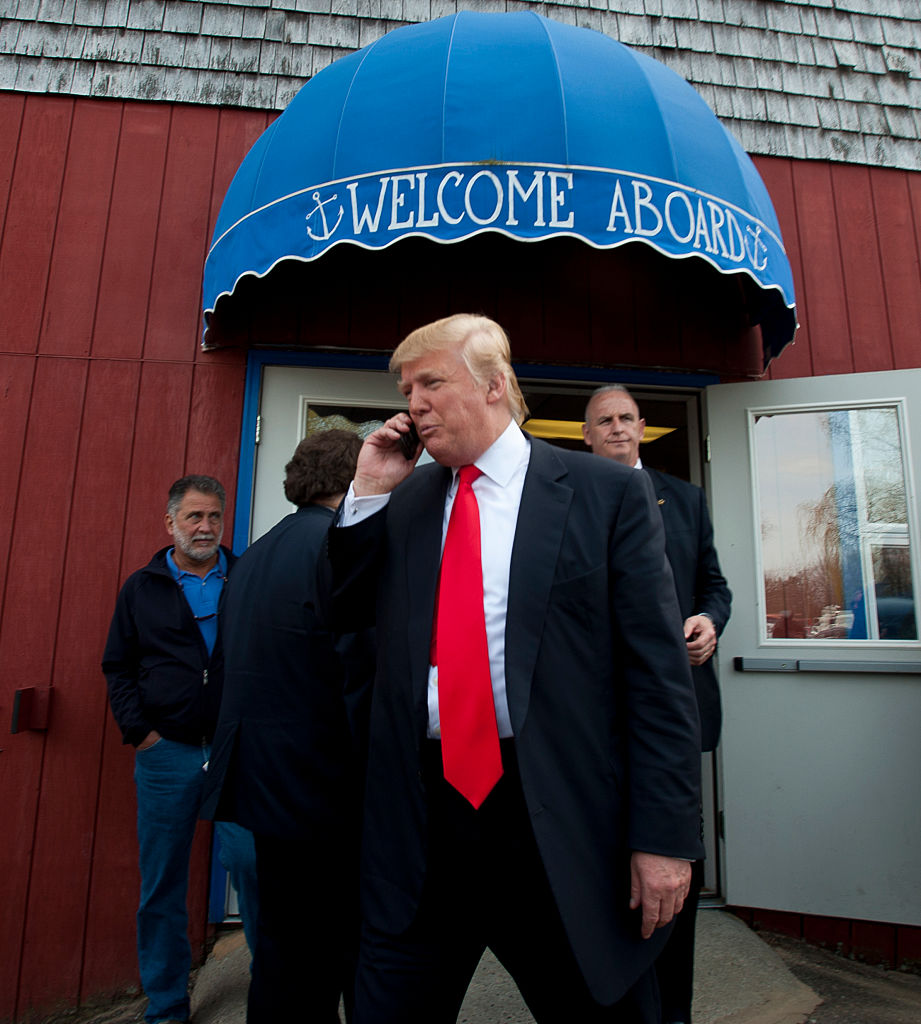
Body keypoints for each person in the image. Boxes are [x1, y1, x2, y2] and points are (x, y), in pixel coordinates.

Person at [327, 314, 704, 1024]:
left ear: (496, 385)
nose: (414, 402)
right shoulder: (405, 500)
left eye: (432, 381)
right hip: (422, 829)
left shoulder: (603, 495)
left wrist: (662, 840)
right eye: (407, 388)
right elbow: (344, 621)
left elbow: (657, 682)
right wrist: (368, 493)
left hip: (556, 826)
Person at [200, 430, 374, 1024]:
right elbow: (358, 669)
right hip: (326, 787)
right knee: (347, 951)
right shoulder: (340, 549)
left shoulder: (253, 555)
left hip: (262, 785)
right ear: (355, 479)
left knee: (282, 950)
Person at [583, 384, 732, 1024]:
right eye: (603, 422)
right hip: (599, 719)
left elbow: (714, 584)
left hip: (680, 712)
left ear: (643, 427)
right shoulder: (572, 498)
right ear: (585, 435)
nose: (617, 428)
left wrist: (708, 619)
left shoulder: (686, 499)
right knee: (610, 868)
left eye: (625, 418)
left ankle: (673, 1010)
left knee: (674, 859)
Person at [102, 475, 258, 1024]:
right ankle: (167, 1005)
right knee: (162, 882)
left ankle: (274, 990)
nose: (206, 527)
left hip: (235, 750)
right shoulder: (140, 587)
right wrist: (140, 732)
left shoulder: (245, 577)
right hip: (166, 753)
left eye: (214, 517)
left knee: (252, 863)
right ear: (170, 523)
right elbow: (117, 665)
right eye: (194, 517)